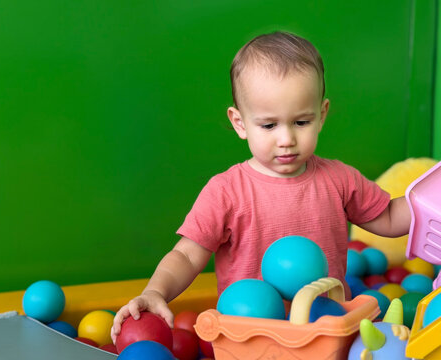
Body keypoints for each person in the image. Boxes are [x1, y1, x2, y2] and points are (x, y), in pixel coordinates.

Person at [111, 31, 411, 342]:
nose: (286, 139)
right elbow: (187, 256)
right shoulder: (226, 191)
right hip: (249, 339)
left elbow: (389, 216)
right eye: (269, 125)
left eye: (301, 122)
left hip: (325, 335)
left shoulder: (339, 179)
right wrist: (155, 291)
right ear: (240, 123)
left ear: (321, 115)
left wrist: (427, 201)